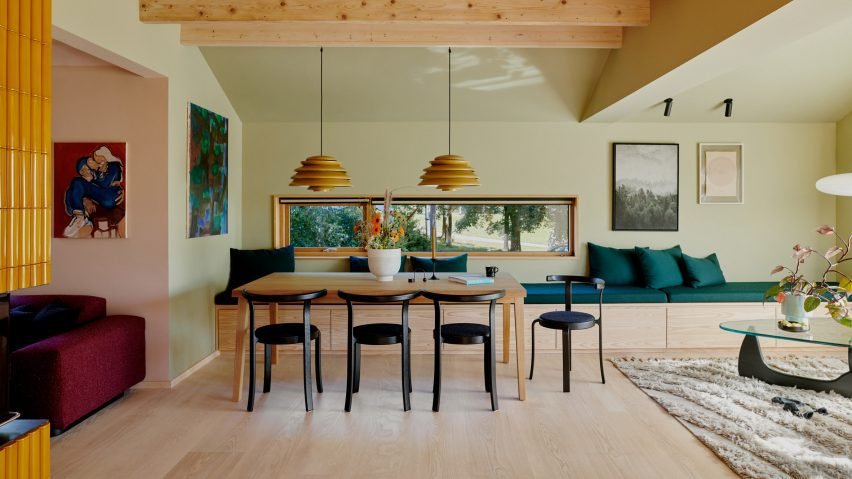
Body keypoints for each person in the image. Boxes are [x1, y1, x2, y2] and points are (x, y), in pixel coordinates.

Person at [62, 146, 125, 238]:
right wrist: (87, 165)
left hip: (110, 197)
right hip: (99, 196)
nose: (94, 161)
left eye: (95, 159)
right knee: (74, 186)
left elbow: (104, 184)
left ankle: (79, 216)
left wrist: (94, 176)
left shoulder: (114, 166)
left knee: (77, 182)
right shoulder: (95, 169)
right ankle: (79, 216)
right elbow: (80, 165)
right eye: (93, 158)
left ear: (104, 157)